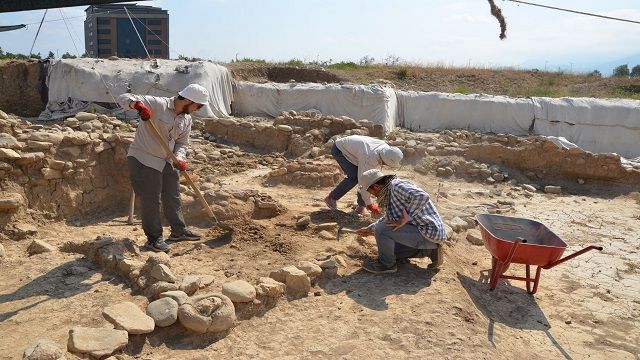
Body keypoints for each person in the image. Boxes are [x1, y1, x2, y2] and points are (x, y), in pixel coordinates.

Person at [119, 84, 209, 252]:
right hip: (143, 158)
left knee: (173, 197)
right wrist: (137, 106)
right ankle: (154, 239)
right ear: (188, 100)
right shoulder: (157, 104)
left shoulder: (186, 119)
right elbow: (123, 98)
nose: (197, 110)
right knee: (151, 201)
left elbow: (182, 143)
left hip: (168, 160)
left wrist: (180, 158)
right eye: (198, 106)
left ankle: (178, 231)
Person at [355, 169, 447, 274]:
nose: (371, 195)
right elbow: (390, 219)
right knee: (389, 251)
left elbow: (421, 196)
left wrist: (404, 218)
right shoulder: (389, 192)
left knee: (382, 229)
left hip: (428, 231)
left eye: (370, 191)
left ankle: (387, 265)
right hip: (422, 234)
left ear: (376, 186)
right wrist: (370, 228)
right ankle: (430, 250)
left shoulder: (396, 186)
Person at [324, 135, 403, 215]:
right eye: (387, 164)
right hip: (340, 150)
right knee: (354, 177)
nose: (387, 165)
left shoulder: (385, 150)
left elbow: (375, 176)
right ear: (385, 159)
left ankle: (361, 206)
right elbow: (364, 183)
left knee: (367, 179)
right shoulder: (370, 158)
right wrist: (369, 205)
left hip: (356, 151)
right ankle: (331, 198)